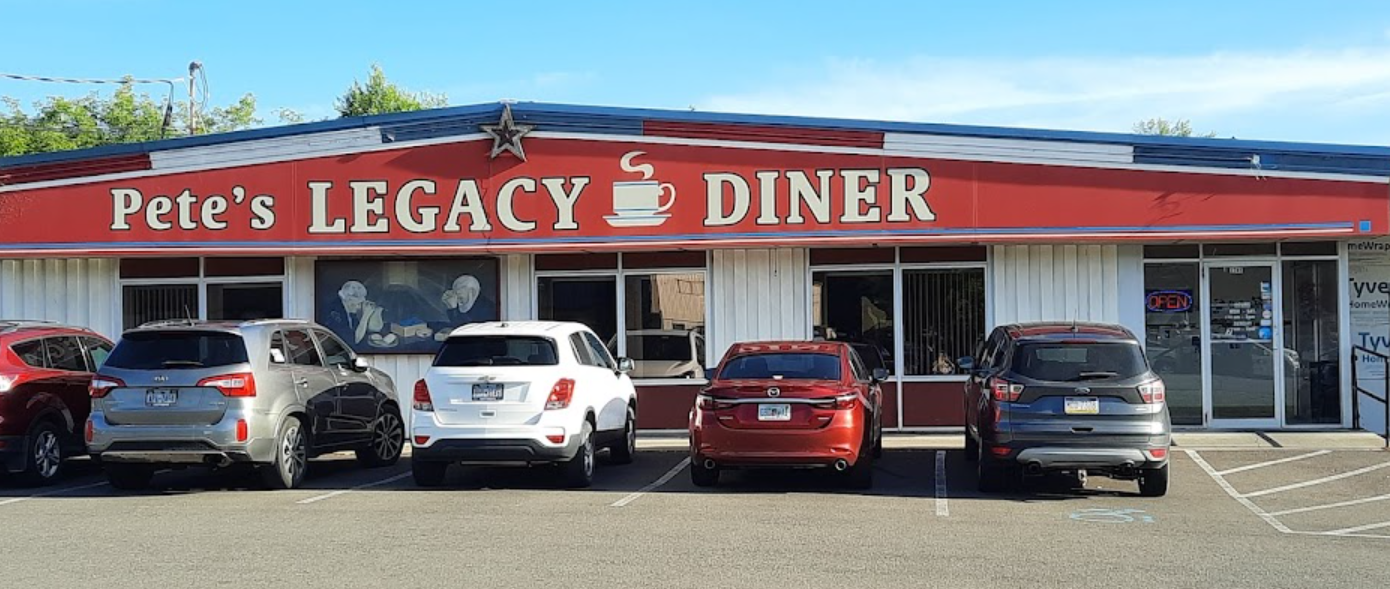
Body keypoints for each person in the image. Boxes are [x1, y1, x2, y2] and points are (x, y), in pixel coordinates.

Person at [322, 280, 389, 346]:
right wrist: (365, 316)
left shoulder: (346, 310)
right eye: (359, 303)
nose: (360, 306)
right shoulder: (335, 313)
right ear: (349, 300)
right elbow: (353, 340)